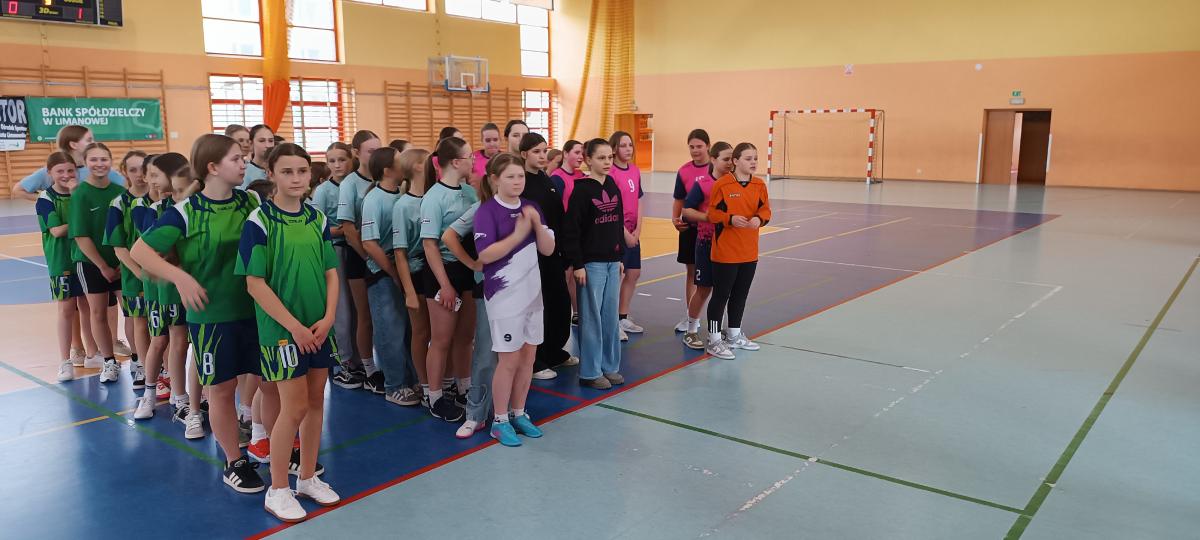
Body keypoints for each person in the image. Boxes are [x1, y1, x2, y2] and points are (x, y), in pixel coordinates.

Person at [133, 133, 266, 493]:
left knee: (270, 383)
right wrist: (181, 278)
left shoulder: (250, 201)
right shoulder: (185, 212)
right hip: (212, 316)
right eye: (236, 158)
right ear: (213, 167)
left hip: (255, 310)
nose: (244, 163)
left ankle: (268, 441)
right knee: (220, 390)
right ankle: (234, 461)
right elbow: (141, 251)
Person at [238, 143, 340, 522]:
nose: (296, 178)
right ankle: (278, 488)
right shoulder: (259, 222)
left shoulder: (317, 218)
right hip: (282, 333)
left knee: (315, 403)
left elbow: (331, 272)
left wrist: (328, 318)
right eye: (287, 172)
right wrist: (294, 327)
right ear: (271, 175)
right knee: (293, 407)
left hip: (318, 328)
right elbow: (254, 283)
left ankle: (308, 477)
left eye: (302, 171)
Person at [473, 153, 555, 446]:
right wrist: (519, 233)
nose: (518, 181)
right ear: (495, 179)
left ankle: (519, 413)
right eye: (510, 176)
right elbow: (485, 255)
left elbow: (547, 249)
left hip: (532, 294)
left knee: (528, 357)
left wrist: (537, 226)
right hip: (504, 297)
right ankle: (499, 420)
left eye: (520, 176)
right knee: (508, 359)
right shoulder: (487, 211)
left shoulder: (531, 207)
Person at [134, 153, 204, 437]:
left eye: (155, 174)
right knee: (166, 340)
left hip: (195, 285)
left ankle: (188, 398)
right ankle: (156, 394)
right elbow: (157, 251)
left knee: (191, 343)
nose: (149, 180)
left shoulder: (198, 205)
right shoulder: (156, 210)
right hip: (165, 288)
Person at [420, 136, 478, 422]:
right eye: (470, 156)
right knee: (441, 340)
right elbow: (430, 244)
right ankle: (434, 397)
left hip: (468, 270)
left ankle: (464, 388)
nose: (474, 160)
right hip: (443, 272)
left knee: (465, 337)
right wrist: (444, 285)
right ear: (456, 162)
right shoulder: (433, 197)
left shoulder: (469, 192)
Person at [561, 138, 625, 390]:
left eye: (610, 157)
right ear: (588, 160)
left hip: (612, 262)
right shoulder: (582, 190)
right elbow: (571, 230)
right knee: (591, 319)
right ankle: (590, 372)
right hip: (592, 264)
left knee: (610, 318)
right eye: (601, 158)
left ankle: (609, 366)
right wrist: (578, 264)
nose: (607, 162)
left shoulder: (612, 185)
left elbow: (617, 224)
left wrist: (620, 257)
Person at [360, 146, 419, 406]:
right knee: (389, 330)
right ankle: (394, 385)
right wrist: (393, 272)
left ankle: (411, 379)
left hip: (403, 269)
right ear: (387, 170)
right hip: (382, 273)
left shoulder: (402, 194)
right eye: (398, 161)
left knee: (407, 330)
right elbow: (369, 243)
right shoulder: (374, 199)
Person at [704, 143, 771, 360]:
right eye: (748, 158)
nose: (753, 162)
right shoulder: (722, 185)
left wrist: (759, 219)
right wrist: (730, 219)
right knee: (721, 295)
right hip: (725, 252)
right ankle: (714, 339)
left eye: (755, 158)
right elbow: (712, 214)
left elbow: (766, 210)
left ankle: (733, 335)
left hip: (749, 252)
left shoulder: (759, 185)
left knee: (740, 295)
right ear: (735, 161)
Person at [518, 133, 576, 379]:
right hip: (531, 256)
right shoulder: (521, 183)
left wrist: (564, 251)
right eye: (536, 152)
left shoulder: (547, 180)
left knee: (559, 303)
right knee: (536, 309)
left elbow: (558, 217)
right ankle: (535, 361)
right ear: (524, 154)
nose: (542, 156)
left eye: (544, 151)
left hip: (552, 254)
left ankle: (554, 351)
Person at [69, 142, 126, 384]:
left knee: (132, 311)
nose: (99, 164)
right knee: (98, 312)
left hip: (121, 263)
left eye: (104, 159)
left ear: (111, 161)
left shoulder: (120, 192)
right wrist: (103, 266)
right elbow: (81, 236)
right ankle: (109, 361)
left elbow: (127, 229)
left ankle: (138, 359)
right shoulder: (80, 194)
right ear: (85, 163)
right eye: (94, 159)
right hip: (91, 264)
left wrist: (123, 261)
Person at [336, 131, 383, 392]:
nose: (375, 155)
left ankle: (386, 363)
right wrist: (368, 257)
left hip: (383, 257)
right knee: (364, 316)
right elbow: (348, 228)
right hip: (360, 257)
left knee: (383, 316)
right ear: (356, 153)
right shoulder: (350, 184)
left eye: (378, 150)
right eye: (370, 151)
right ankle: (367, 368)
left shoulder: (384, 179)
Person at [314, 142, 363, 389]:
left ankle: (358, 358)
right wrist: (343, 229)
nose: (337, 165)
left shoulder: (356, 184)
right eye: (331, 161)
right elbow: (317, 227)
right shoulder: (323, 191)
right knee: (341, 309)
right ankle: (342, 361)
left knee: (358, 310)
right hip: (335, 251)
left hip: (356, 249)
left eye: (341, 160)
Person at [105, 150, 152, 389]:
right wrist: (138, 272)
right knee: (138, 320)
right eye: (133, 170)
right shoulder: (118, 204)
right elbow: (118, 246)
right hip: (136, 278)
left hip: (163, 277)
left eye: (143, 169)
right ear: (124, 172)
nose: (139, 175)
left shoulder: (161, 201)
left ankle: (163, 369)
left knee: (164, 326)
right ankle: (142, 363)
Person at [391, 148, 433, 407]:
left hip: (437, 270)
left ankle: (441, 381)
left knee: (441, 333)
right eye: (429, 162)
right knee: (421, 332)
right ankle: (425, 384)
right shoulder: (403, 206)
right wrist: (408, 291)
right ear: (418, 166)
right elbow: (400, 253)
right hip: (417, 273)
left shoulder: (434, 196)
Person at [37, 152, 85, 382]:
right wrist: (82, 220)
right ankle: (65, 360)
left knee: (88, 308)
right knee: (66, 309)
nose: (66, 175)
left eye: (70, 170)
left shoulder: (81, 193)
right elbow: (56, 231)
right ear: (50, 173)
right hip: (61, 261)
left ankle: (91, 353)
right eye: (60, 171)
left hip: (84, 258)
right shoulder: (46, 198)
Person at [681, 142, 732, 349]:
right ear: (713, 159)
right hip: (706, 243)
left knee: (723, 290)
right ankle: (691, 330)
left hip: (728, 245)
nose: (730, 163)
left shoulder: (735, 184)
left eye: (732, 159)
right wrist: (708, 217)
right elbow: (686, 211)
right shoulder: (703, 184)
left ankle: (715, 331)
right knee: (703, 289)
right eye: (725, 159)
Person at [13, 125, 125, 200]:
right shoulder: (51, 172)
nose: (94, 143)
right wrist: (49, 200)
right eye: (89, 140)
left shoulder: (98, 169)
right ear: (74, 145)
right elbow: (18, 190)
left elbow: (125, 187)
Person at [671, 129, 712, 333]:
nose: (695, 150)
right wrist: (675, 218)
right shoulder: (684, 171)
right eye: (692, 147)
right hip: (690, 229)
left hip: (711, 230)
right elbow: (679, 199)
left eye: (699, 146)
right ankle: (691, 317)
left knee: (714, 276)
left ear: (708, 146)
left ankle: (715, 318)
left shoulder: (716, 168)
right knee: (691, 273)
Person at [608, 131, 644, 341]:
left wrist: (638, 230)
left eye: (630, 145)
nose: (628, 149)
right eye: (623, 145)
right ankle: (611, 321)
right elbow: (611, 207)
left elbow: (639, 201)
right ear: (614, 149)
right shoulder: (611, 173)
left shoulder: (635, 170)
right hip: (616, 231)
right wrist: (625, 233)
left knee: (634, 273)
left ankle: (623, 317)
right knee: (617, 275)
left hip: (632, 231)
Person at [550, 140, 585, 324]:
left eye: (582, 153)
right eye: (576, 152)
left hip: (579, 233)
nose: (580, 156)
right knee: (567, 274)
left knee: (576, 274)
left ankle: (577, 311)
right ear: (565, 154)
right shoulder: (557, 178)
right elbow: (556, 210)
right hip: (564, 235)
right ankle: (563, 313)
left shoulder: (581, 176)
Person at [240, 124, 275, 189]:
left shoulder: (278, 170)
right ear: (251, 144)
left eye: (270, 141)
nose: (267, 145)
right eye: (261, 141)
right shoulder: (244, 172)